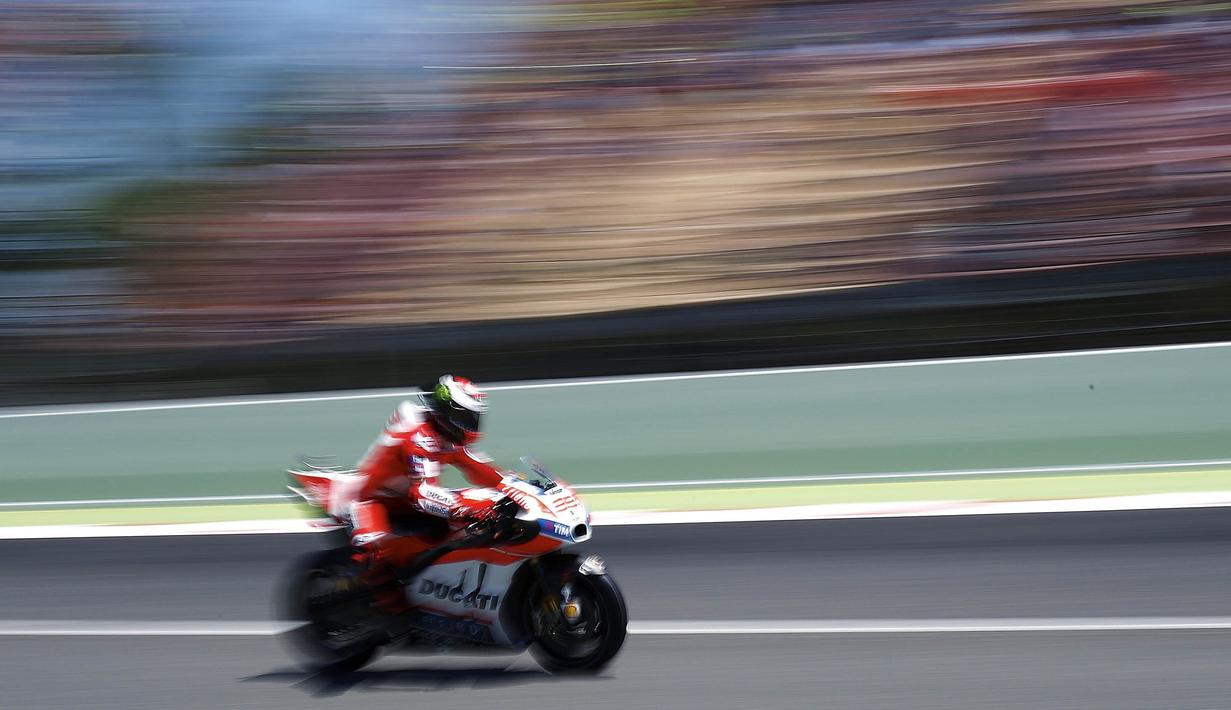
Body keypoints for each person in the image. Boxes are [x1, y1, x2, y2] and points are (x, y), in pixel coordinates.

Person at [346, 374, 512, 609]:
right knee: (377, 554)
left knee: (457, 530)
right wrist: (468, 509)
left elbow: (482, 470)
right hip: (373, 501)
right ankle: (375, 609)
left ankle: (439, 590)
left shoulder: (449, 437)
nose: (471, 423)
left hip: (404, 502)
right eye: (466, 417)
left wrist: (518, 486)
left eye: (473, 417)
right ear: (448, 413)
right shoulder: (419, 437)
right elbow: (422, 493)